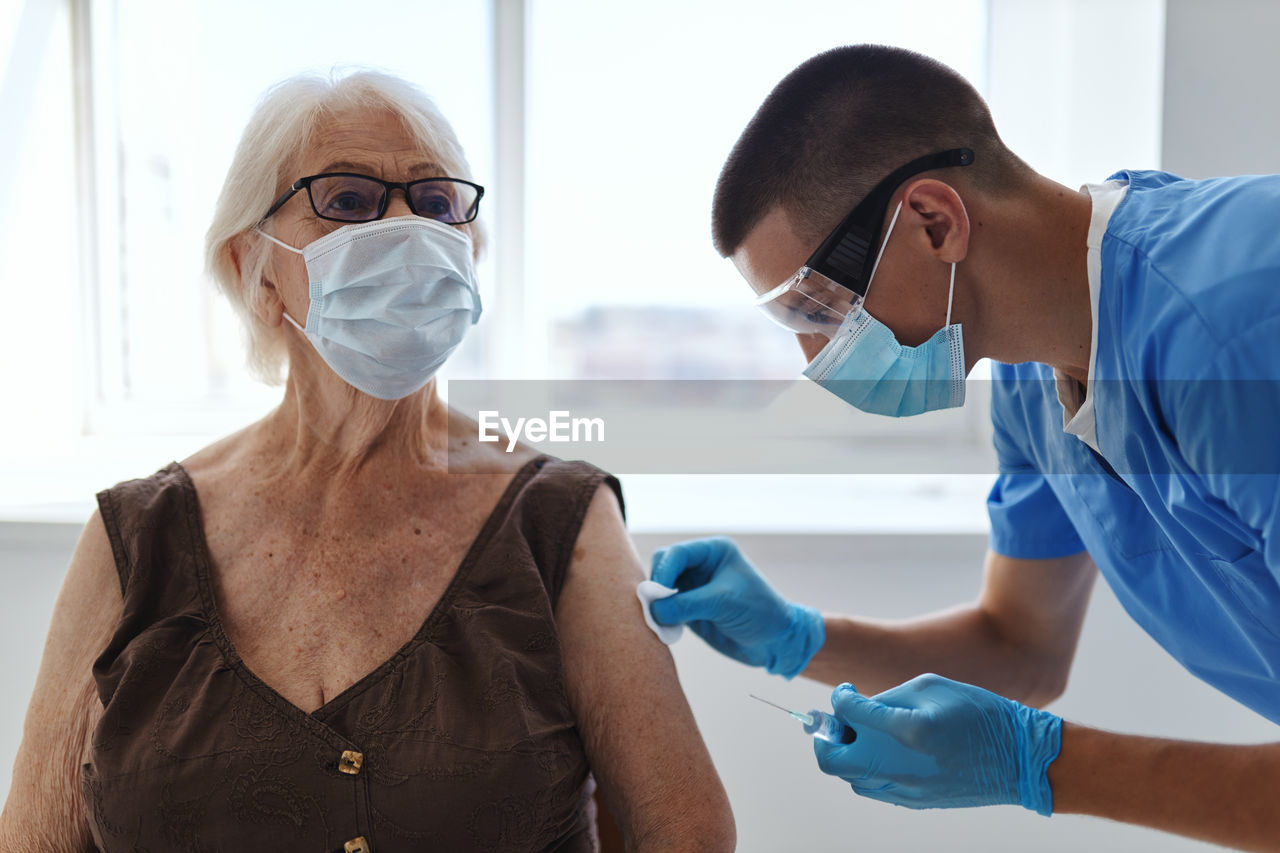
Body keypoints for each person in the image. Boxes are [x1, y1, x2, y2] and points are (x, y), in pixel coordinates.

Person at [0, 70, 734, 852]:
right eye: (347, 200)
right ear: (256, 267)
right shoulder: (135, 537)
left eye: (434, 203)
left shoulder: (561, 519)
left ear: (468, 253)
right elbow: (36, 836)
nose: (403, 228)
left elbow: (684, 829)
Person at [648, 44, 1280, 850]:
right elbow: (1022, 647)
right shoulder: (1034, 381)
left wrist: (1041, 765)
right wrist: (797, 636)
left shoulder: (1239, 333)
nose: (815, 361)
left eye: (819, 311)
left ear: (934, 222)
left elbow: (1029, 717)